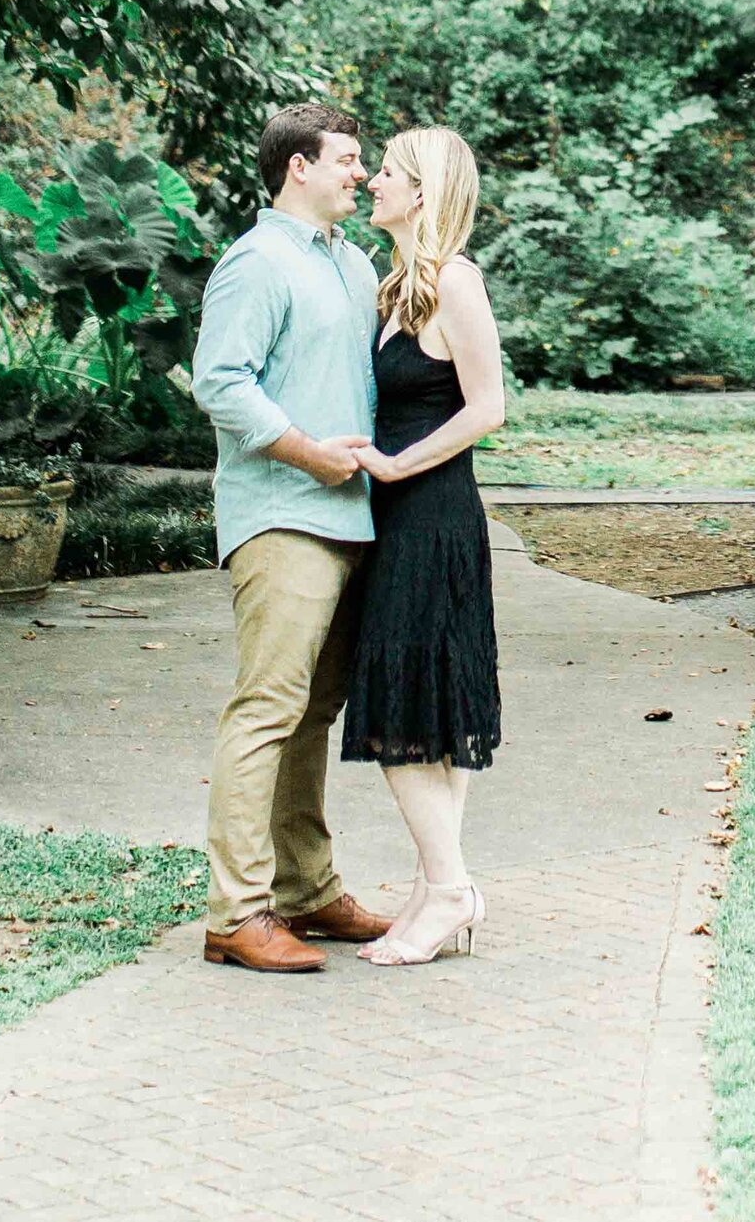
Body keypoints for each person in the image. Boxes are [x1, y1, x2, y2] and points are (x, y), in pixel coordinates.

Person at [191, 100, 396, 974]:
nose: (362, 171)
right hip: (281, 515)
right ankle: (236, 913)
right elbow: (221, 383)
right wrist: (309, 454)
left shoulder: (355, 265)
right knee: (267, 709)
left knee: (313, 712)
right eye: (348, 158)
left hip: (350, 518)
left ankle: (306, 889)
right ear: (298, 166)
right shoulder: (256, 261)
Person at [341, 123, 507, 967]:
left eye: (391, 173)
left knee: (405, 702)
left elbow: (487, 408)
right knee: (430, 705)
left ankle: (450, 888)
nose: (372, 179)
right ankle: (434, 884)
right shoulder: (395, 283)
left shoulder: (457, 283)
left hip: (434, 513)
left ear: (424, 192)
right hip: (398, 514)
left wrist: (397, 463)